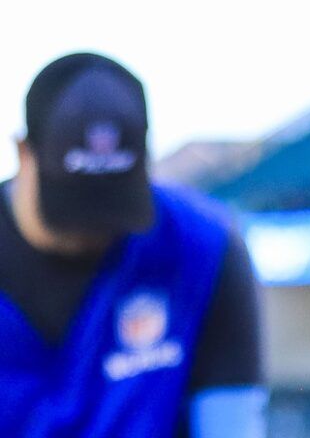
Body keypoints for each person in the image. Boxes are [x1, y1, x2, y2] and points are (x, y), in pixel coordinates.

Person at [0, 53, 266, 438]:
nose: (93, 228)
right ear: (25, 154)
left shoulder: (202, 247)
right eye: (74, 205)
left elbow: (232, 422)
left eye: (112, 205)